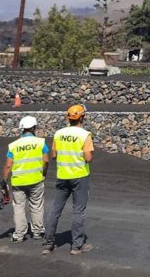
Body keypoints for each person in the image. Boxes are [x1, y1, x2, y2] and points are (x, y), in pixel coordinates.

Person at [42, 104, 94, 256]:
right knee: (78, 210)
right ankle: (76, 246)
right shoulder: (85, 135)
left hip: (62, 175)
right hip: (79, 176)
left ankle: (48, 243)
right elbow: (88, 157)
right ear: (82, 117)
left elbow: (53, 155)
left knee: (55, 209)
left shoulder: (59, 134)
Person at [3, 115, 49, 243]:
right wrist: (43, 174)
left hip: (18, 181)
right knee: (37, 206)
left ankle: (19, 235)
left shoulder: (13, 145)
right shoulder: (41, 142)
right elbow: (45, 161)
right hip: (36, 180)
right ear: (34, 128)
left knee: (19, 207)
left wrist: (4, 181)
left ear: (22, 129)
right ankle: (38, 231)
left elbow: (8, 165)